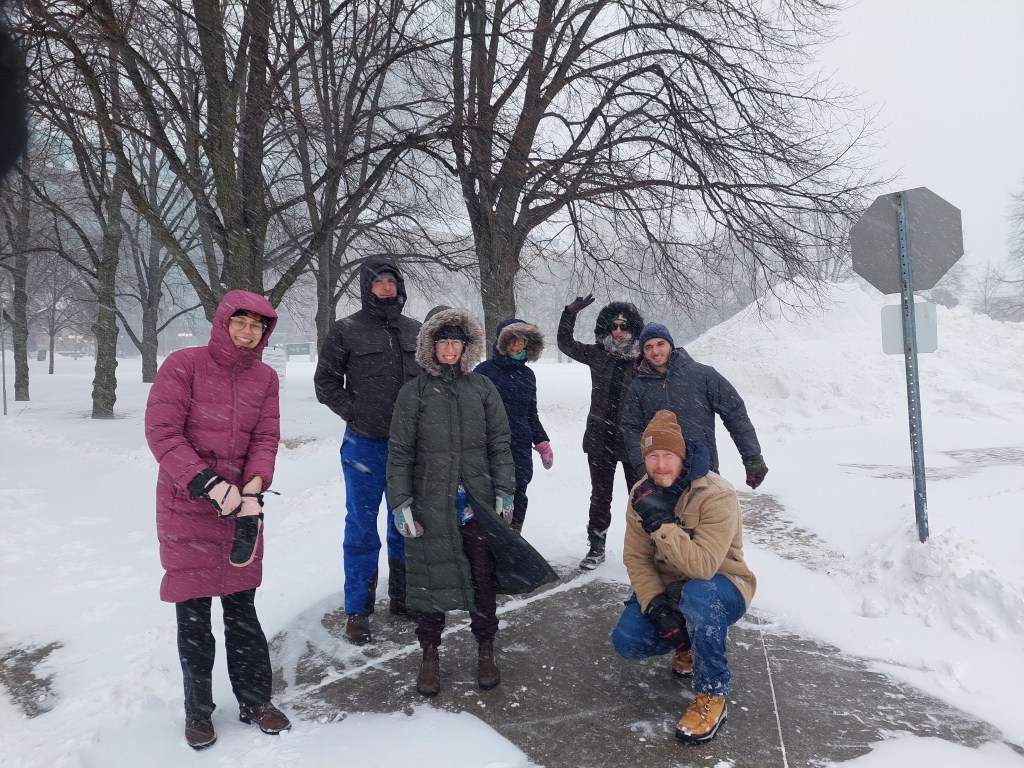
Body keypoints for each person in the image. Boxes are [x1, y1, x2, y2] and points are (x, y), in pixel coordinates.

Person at [145, 290, 290, 750]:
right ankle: (198, 710)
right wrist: (209, 484)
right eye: (240, 322)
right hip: (187, 507)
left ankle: (255, 700)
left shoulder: (265, 378)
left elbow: (265, 437)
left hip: (241, 511)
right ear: (224, 322)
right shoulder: (183, 365)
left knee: (242, 610)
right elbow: (163, 434)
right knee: (193, 616)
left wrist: (251, 489)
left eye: (257, 326)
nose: (248, 332)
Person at [387, 308, 557, 697]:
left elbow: (500, 444)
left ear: (467, 346)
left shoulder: (482, 388)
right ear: (430, 345)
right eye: (442, 341)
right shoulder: (414, 393)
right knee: (430, 583)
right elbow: (400, 453)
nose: (450, 349)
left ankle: (485, 648)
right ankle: (430, 654)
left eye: (456, 342)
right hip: (430, 504)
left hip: (474, 506)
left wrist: (505, 491)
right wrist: (401, 503)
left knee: (482, 579)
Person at [611, 410, 756, 744]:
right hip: (670, 588)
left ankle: (712, 694)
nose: (660, 465)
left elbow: (703, 567)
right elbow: (636, 557)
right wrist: (655, 604)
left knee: (699, 595)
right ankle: (688, 643)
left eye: (668, 455)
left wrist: (662, 524)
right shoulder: (641, 493)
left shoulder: (717, 494)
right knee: (628, 641)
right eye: (652, 456)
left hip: (722, 585)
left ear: (682, 455)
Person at [314, 259, 422, 645]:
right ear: (367, 287)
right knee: (361, 527)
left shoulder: (416, 331)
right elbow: (325, 382)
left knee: (405, 522)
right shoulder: (346, 330)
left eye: (392, 281)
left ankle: (403, 597)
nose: (386, 287)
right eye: (379, 282)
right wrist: (355, 411)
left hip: (408, 447)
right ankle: (358, 609)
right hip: (364, 444)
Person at [621, 323, 768, 490]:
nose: (655, 351)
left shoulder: (703, 375)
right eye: (648, 347)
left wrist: (752, 456)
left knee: (711, 508)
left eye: (660, 344)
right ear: (643, 352)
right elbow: (631, 428)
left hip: (703, 470)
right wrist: (642, 464)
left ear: (671, 345)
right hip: (661, 474)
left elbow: (735, 413)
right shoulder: (638, 386)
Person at [557, 294, 645, 569]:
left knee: (640, 496)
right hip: (599, 438)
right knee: (600, 496)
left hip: (632, 442)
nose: (618, 331)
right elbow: (565, 343)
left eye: (624, 326)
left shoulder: (643, 359)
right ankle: (596, 547)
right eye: (613, 326)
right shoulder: (598, 354)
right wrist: (570, 313)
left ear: (633, 328)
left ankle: (644, 550)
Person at [474, 318, 553, 533]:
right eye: (512, 340)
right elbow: (472, 414)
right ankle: (490, 543)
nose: (517, 345)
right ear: (502, 341)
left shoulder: (527, 375)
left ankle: (514, 538)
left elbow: (531, 413)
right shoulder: (483, 372)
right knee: (492, 497)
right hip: (490, 447)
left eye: (522, 340)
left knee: (518, 495)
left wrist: (542, 442)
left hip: (520, 447)